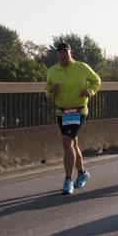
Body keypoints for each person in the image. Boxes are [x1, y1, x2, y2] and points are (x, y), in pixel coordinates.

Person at [45, 41, 101, 195]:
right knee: (73, 143)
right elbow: (47, 91)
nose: (63, 54)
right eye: (60, 52)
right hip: (62, 112)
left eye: (65, 51)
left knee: (67, 141)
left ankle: (68, 180)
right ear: (57, 54)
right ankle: (82, 172)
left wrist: (90, 91)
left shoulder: (82, 67)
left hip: (78, 110)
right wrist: (51, 90)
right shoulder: (53, 71)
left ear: (71, 52)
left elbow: (97, 81)